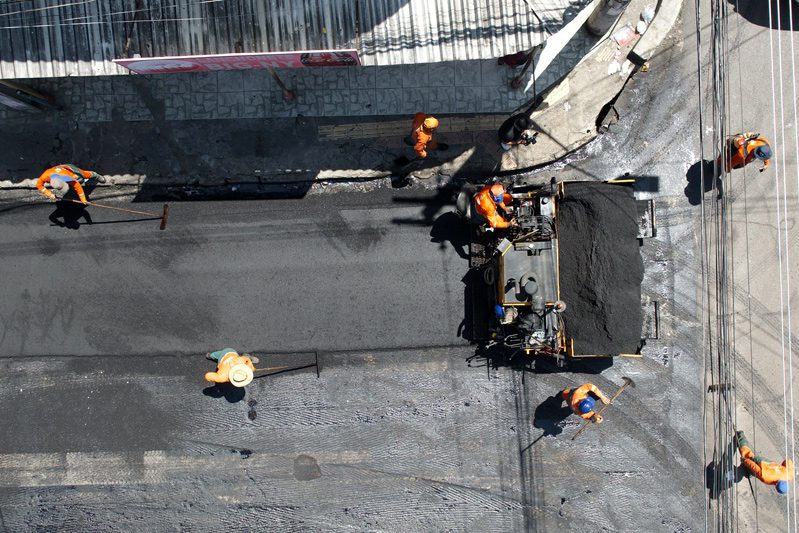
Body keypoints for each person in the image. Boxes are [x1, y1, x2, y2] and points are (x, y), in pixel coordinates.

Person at [736, 430, 793, 494]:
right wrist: (744, 460)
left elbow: (788, 461)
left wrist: (780, 467)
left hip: (769, 463)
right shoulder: (766, 478)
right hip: (760, 463)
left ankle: (749, 471)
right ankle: (740, 436)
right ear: (776, 485)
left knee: (752, 470)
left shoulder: (790, 475)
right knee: (747, 455)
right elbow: (754, 467)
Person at [36, 164, 105, 204]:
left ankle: (96, 175)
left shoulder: (68, 177)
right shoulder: (44, 176)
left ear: (64, 181)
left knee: (83, 176)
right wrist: (49, 194)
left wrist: (83, 199)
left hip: (70, 169)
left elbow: (77, 186)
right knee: (71, 188)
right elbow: (38, 185)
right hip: (58, 170)